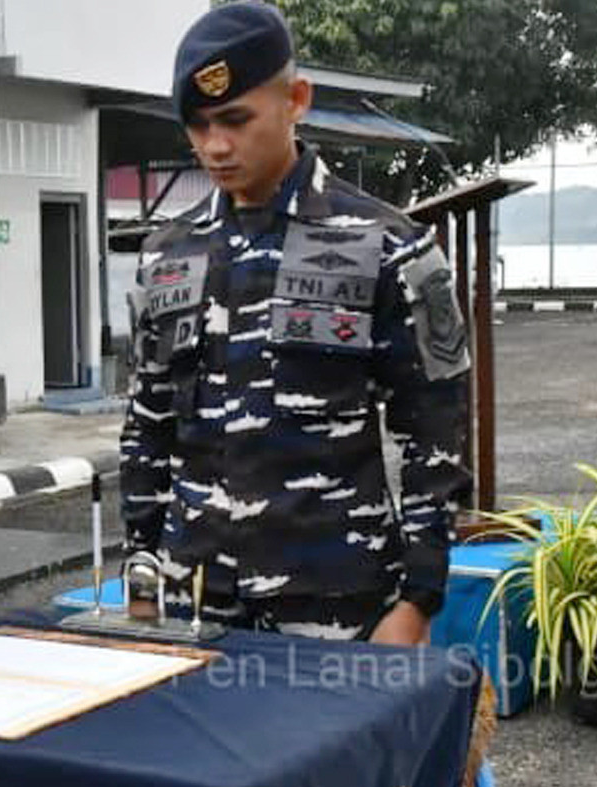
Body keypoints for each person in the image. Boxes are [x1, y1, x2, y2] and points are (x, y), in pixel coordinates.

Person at [121, 2, 472, 645]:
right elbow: (147, 426)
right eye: (197, 126)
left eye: (235, 119)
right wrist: (141, 576)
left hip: (340, 605)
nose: (214, 146)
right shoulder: (167, 255)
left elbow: (436, 433)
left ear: (297, 100)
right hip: (191, 601)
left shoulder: (390, 246)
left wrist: (418, 601)